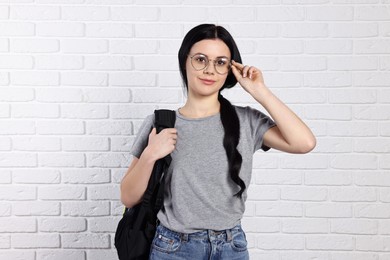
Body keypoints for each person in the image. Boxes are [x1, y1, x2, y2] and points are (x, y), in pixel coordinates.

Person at [120, 24, 316, 260]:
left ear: (230, 70)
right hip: (173, 248)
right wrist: (151, 154)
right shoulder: (160, 123)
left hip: (231, 247)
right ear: (185, 61)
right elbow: (128, 197)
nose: (210, 70)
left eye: (221, 62)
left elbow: (304, 143)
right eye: (200, 59)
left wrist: (259, 91)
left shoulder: (247, 120)